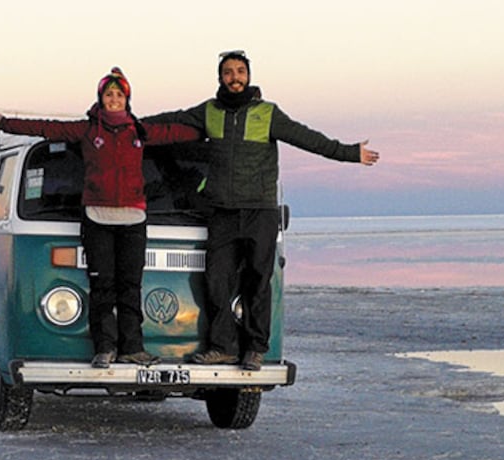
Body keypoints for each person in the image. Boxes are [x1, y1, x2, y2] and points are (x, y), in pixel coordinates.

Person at [147, 50, 379, 371]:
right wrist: (121, 124)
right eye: (228, 72)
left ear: (249, 75)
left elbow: (308, 138)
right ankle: (224, 347)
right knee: (216, 281)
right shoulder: (209, 112)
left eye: (240, 71)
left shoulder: (267, 114)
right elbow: (169, 120)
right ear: (220, 78)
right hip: (222, 212)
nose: (234, 77)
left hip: (260, 211)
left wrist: (350, 153)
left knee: (257, 281)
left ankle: (255, 348)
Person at [0, 68, 200, 369]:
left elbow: (177, 132)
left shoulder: (140, 131)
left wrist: (214, 130)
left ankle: (133, 348)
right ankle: (105, 348)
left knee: (131, 286)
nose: (113, 100)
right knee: (103, 286)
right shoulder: (88, 130)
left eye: (119, 95)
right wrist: (5, 124)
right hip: (97, 217)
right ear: (101, 98)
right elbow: (49, 129)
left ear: (127, 99)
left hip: (133, 218)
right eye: (109, 95)